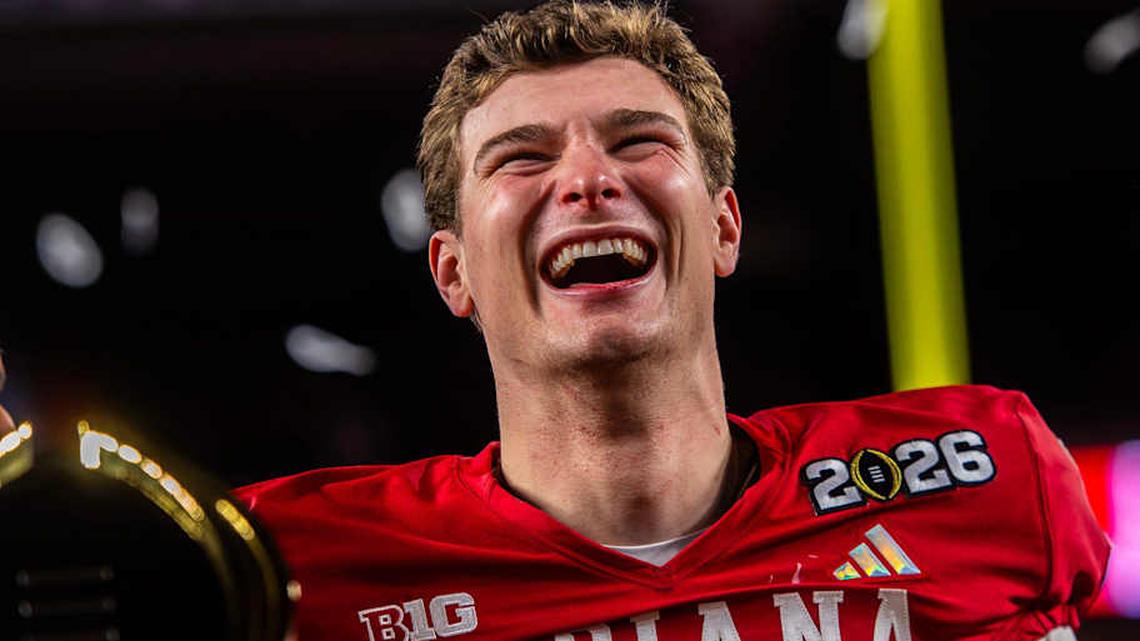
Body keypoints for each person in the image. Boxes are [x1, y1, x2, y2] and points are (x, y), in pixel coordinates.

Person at [3, 2, 1106, 640]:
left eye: (639, 142)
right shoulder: (273, 571)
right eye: (522, 157)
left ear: (723, 227)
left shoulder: (988, 469)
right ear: (454, 273)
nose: (587, 179)